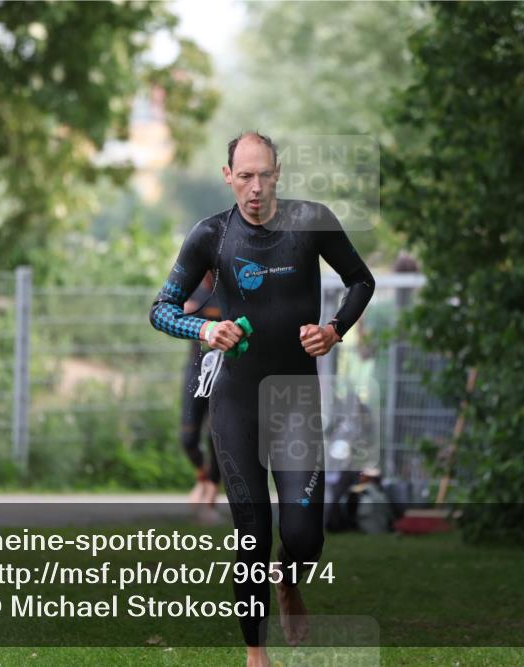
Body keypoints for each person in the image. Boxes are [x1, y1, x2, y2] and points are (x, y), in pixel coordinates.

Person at [149, 132, 375, 667]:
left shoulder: (311, 221)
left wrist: (335, 330)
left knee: (304, 537)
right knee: (252, 532)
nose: (255, 187)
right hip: (236, 400)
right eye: (244, 176)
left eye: (264, 175)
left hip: (296, 398)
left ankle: (289, 580)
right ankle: (256, 653)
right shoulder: (210, 235)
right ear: (228, 176)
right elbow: (161, 308)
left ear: (278, 173)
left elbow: (360, 281)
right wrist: (203, 332)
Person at [181, 271, 222, 520]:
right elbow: (174, 315)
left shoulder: (227, 288)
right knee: (187, 438)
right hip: (195, 371)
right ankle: (203, 477)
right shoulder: (192, 289)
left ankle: (210, 499)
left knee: (215, 436)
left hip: (224, 371)